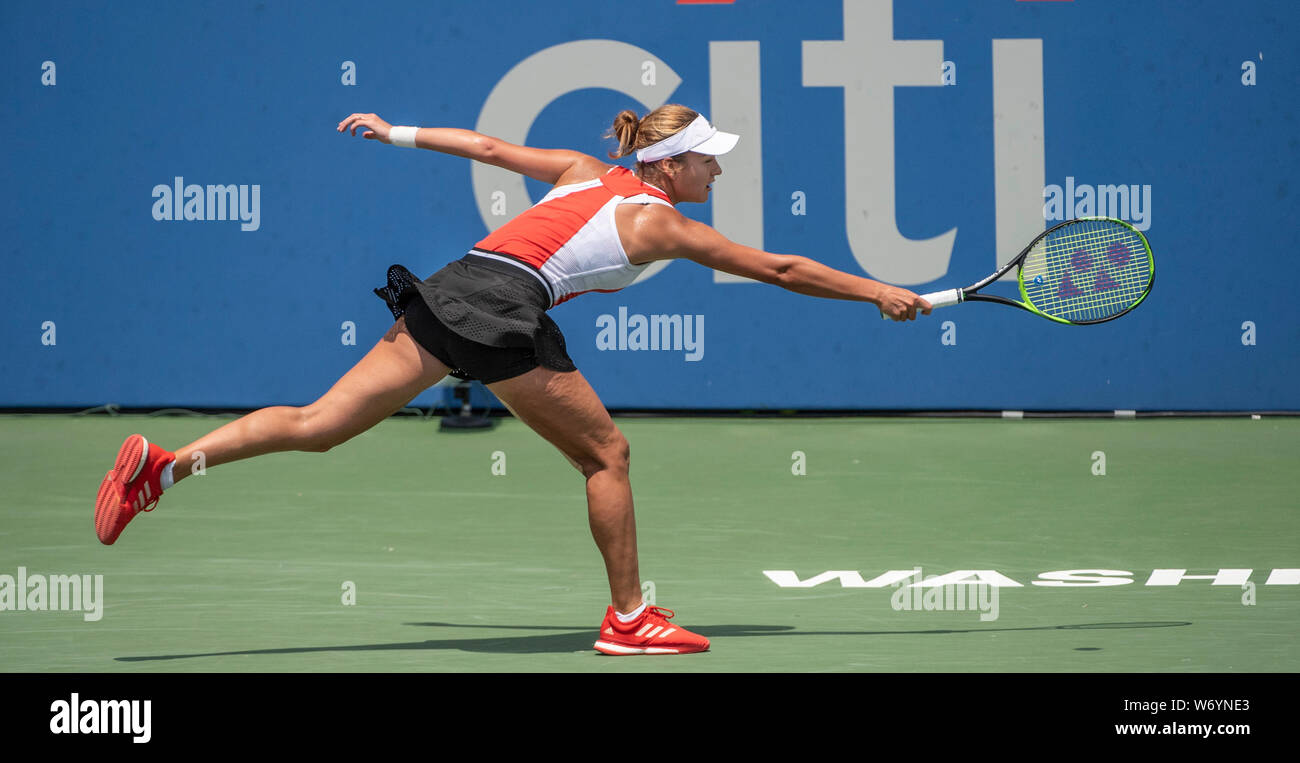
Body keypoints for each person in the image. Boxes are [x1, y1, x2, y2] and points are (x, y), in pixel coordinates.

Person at [94, 105, 931, 656]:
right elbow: (779, 266)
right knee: (607, 454)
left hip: (454, 282)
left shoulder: (576, 169)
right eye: (707, 162)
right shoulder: (661, 220)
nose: (719, 172)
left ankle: (162, 466)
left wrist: (395, 133)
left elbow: (490, 148)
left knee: (320, 423)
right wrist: (878, 291)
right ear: (669, 166)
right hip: (501, 309)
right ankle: (630, 617)